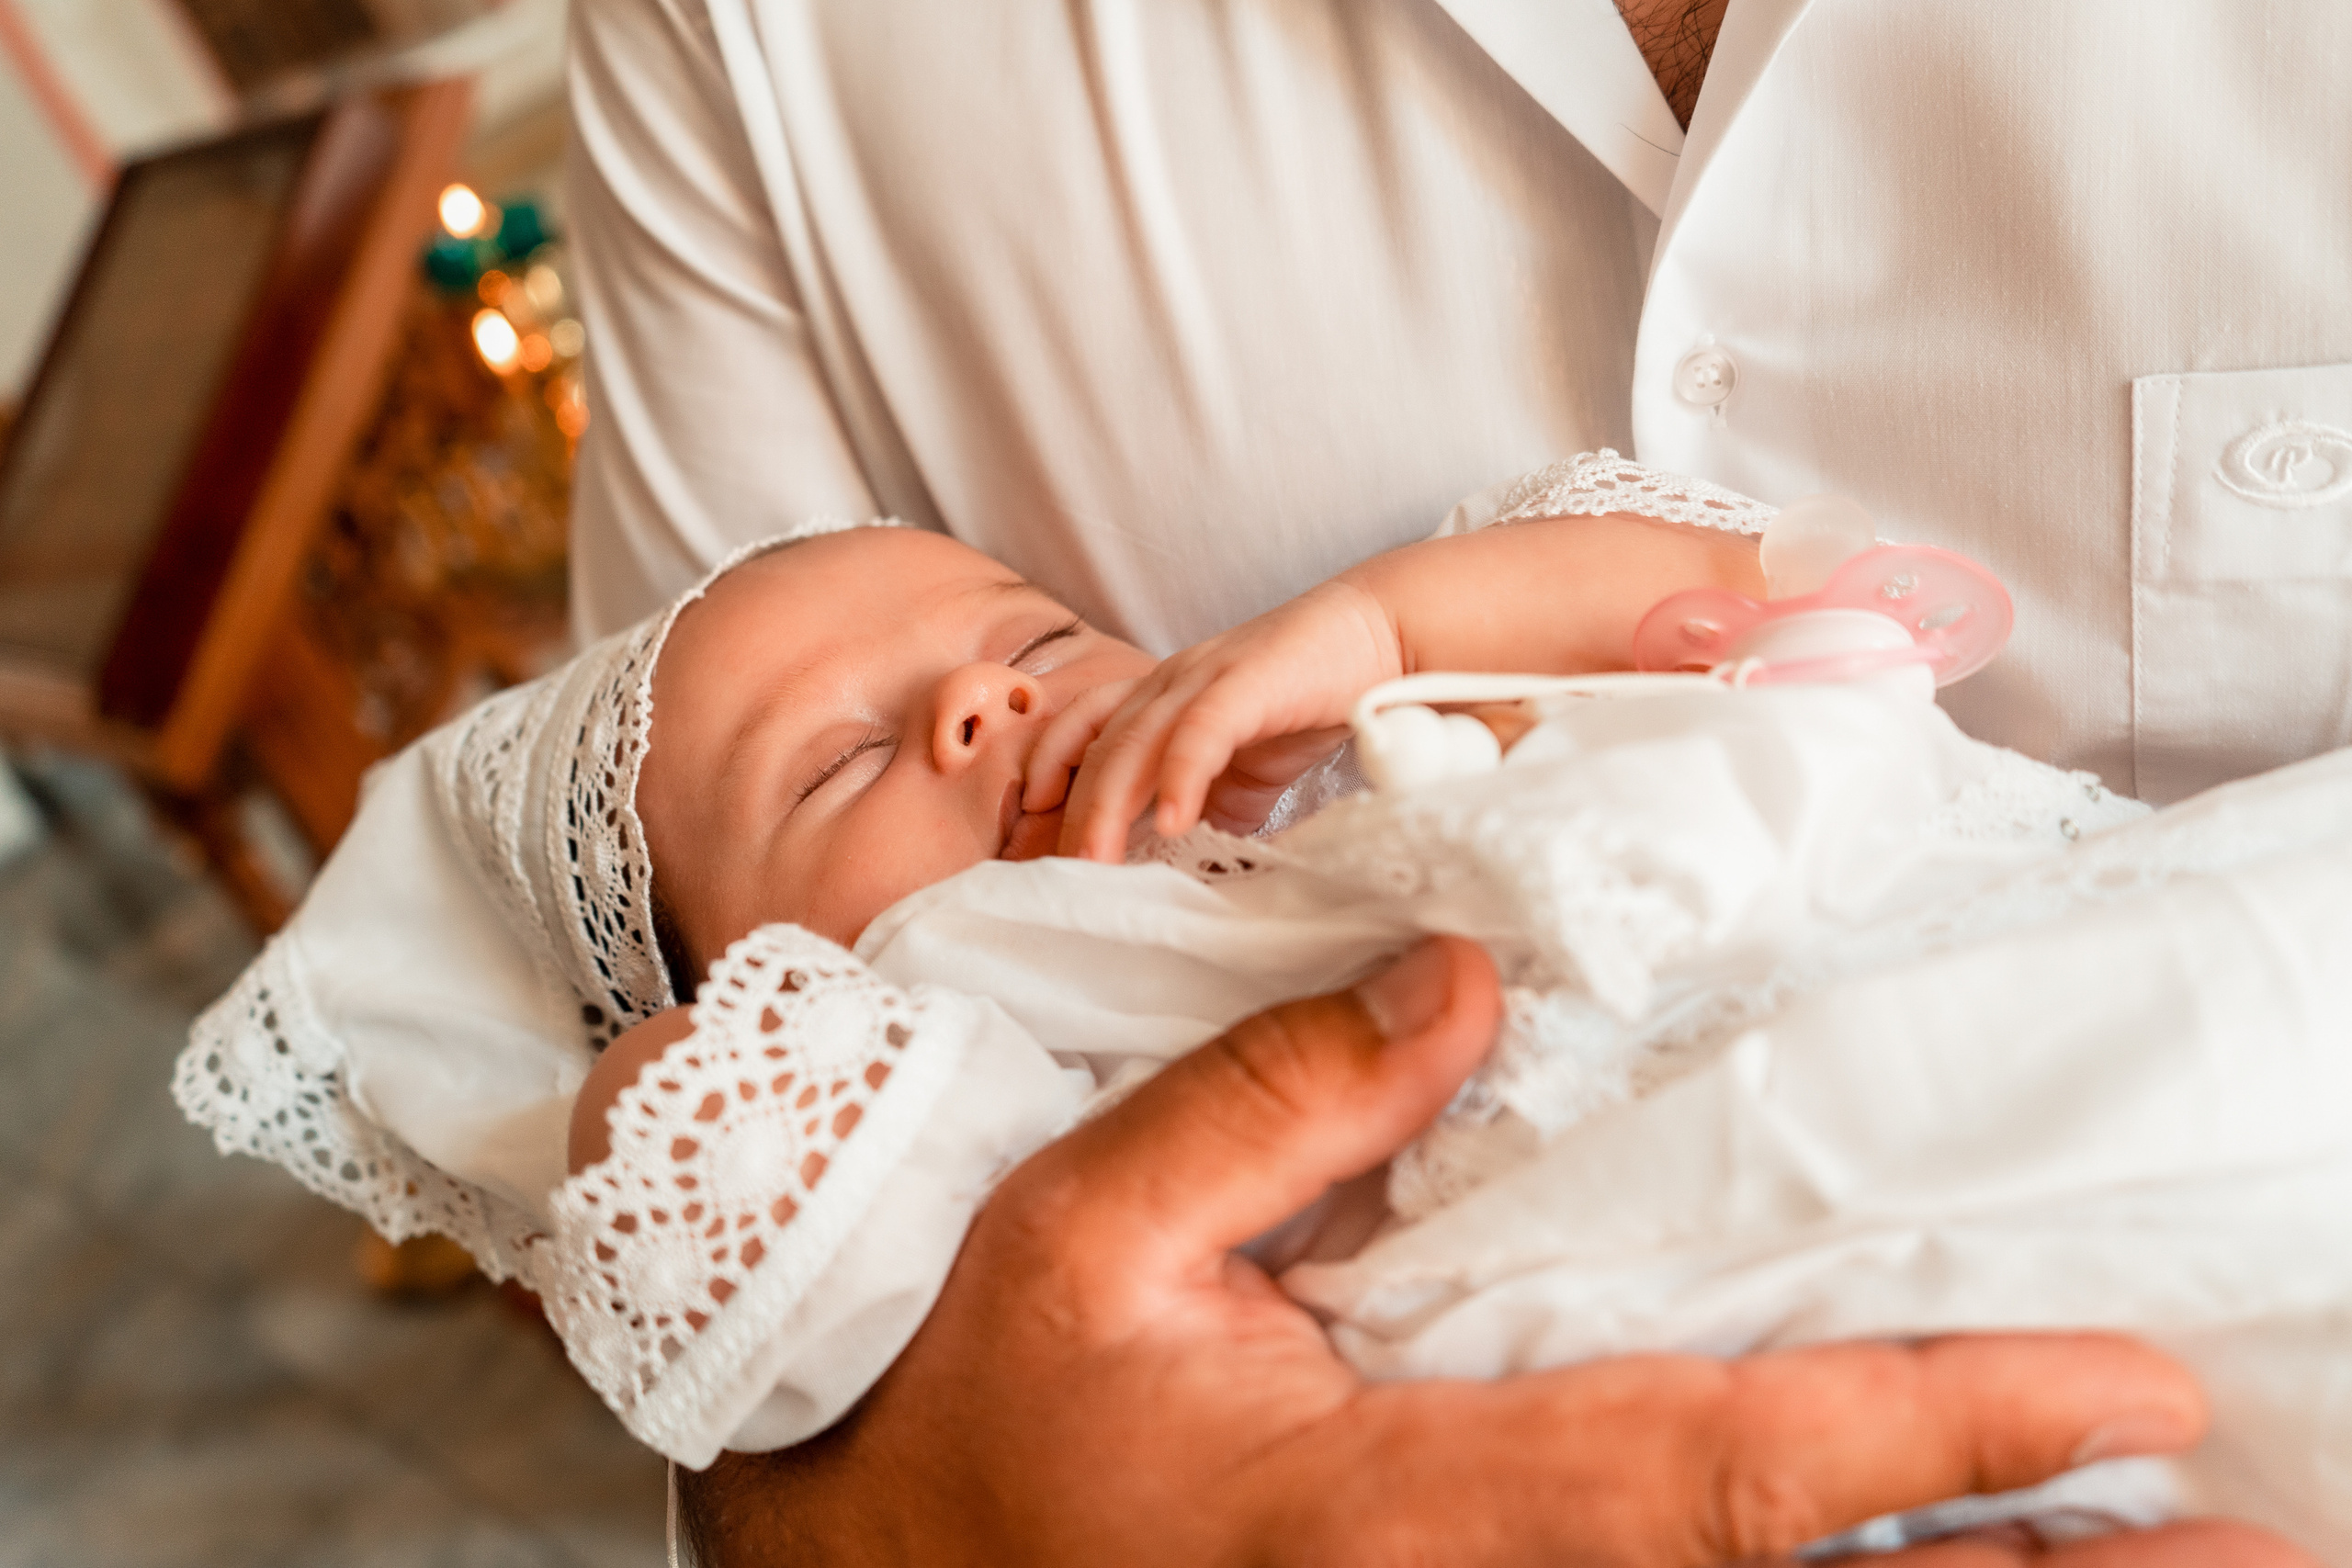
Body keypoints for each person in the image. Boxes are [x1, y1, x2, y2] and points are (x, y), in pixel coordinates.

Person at [547, 0, 2350, 1557]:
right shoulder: (949, 1030)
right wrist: (919, 1509)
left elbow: (1737, 587)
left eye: (1032, 643)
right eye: (843, 761)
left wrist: (1392, 628)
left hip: (2071, 1006)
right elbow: (661, 1157)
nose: (970, 711)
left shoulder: (1326, 753)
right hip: (1556, 1312)